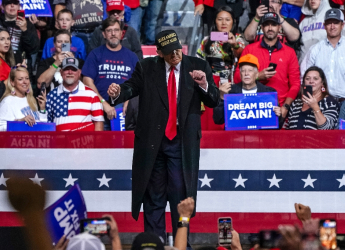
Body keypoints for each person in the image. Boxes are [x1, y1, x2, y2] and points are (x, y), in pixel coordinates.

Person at [107, 30, 220, 242]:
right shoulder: (147, 67)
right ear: (159, 53)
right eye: (169, 52)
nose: (175, 55)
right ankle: (153, 244)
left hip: (181, 144)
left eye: (177, 49)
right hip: (152, 145)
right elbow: (130, 88)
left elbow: (214, 100)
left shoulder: (198, 65)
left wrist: (204, 84)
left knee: (181, 199)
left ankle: (181, 244)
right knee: (153, 200)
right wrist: (117, 93)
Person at [234, 12, 300, 119]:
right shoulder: (249, 49)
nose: (270, 28)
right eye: (267, 25)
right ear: (262, 27)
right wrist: (257, 76)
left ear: (279, 27)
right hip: (253, 106)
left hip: (280, 106)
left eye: (273, 25)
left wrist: (286, 107)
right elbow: (237, 77)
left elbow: (295, 84)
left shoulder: (290, 52)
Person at [83, 18, 138, 130]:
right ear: (104, 34)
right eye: (109, 30)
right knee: (101, 146)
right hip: (99, 112)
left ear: (122, 33)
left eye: (116, 30)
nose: (113, 34)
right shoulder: (95, 54)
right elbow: (87, 81)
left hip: (124, 113)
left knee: (123, 146)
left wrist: (129, 100)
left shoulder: (132, 57)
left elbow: (138, 82)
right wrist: (103, 104)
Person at [214, 54, 281, 125]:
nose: (246, 73)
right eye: (243, 71)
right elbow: (218, 120)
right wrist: (221, 97)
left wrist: (278, 115)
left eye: (250, 70)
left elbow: (278, 124)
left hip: (260, 135)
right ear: (240, 74)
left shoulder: (269, 93)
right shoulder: (229, 92)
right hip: (236, 135)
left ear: (256, 74)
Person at [46, 58, 104, 131]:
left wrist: (97, 142)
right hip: (60, 142)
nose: (70, 72)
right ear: (61, 72)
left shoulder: (92, 94)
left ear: (79, 72)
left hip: (87, 142)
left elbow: (98, 123)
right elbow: (48, 124)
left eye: (73, 69)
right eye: (67, 69)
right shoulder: (51, 95)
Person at [301, 8, 345, 101]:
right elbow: (304, 76)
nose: (332, 26)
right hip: (321, 102)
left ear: (342, 25)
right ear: (324, 25)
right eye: (329, 23)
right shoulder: (315, 49)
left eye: (336, 23)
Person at [196, 6, 245, 83]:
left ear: (233, 21)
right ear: (215, 21)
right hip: (211, 82)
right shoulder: (206, 40)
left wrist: (234, 45)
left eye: (227, 20)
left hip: (231, 82)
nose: (224, 23)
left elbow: (241, 54)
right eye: (220, 19)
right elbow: (199, 61)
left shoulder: (238, 38)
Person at [0, 67, 47, 131]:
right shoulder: (7, 102)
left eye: (27, 78)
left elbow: (41, 128)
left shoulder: (31, 100)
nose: (25, 82)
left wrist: (42, 110)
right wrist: (19, 122)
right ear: (12, 82)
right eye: (20, 79)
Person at [37, 29, 84, 95]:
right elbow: (40, 83)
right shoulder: (45, 63)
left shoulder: (80, 62)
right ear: (54, 44)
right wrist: (56, 63)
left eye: (66, 42)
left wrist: (73, 62)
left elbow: (85, 83)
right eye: (59, 42)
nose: (63, 45)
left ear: (70, 44)